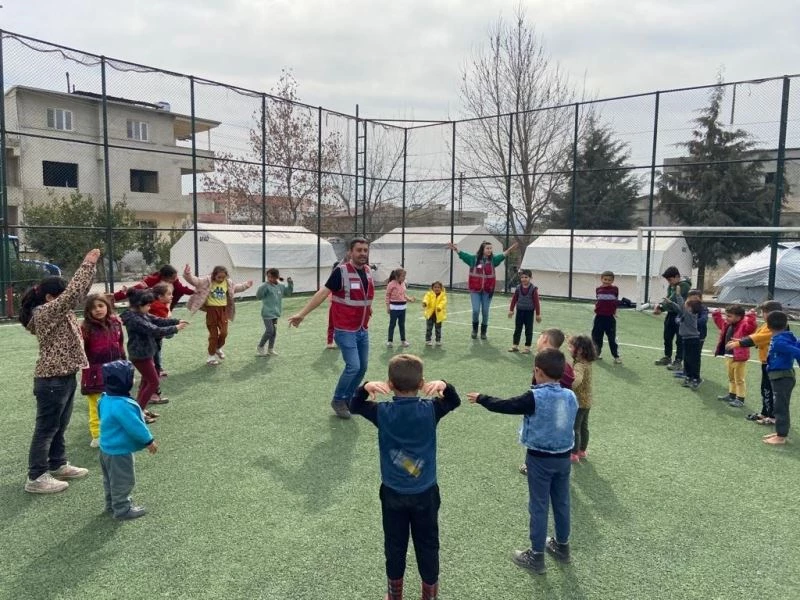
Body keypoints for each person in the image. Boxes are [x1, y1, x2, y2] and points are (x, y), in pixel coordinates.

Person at [350, 354, 460, 600]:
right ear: (422, 383)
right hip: (425, 492)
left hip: (393, 493)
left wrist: (365, 387)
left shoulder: (382, 411)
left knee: (394, 546)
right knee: (428, 545)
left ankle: (394, 595)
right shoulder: (431, 409)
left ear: (389, 384)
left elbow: (353, 405)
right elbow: (454, 400)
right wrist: (444, 384)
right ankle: (429, 595)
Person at [468, 348, 578, 574]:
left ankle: (536, 556)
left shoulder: (534, 397)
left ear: (538, 371)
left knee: (539, 505)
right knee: (562, 502)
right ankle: (562, 546)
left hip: (539, 459)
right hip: (563, 458)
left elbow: (506, 405)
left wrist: (481, 398)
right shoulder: (570, 396)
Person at [20, 248, 100, 494]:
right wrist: (86, 265)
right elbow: (73, 294)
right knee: (46, 429)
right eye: (61, 295)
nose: (68, 299)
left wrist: (91, 272)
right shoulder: (45, 313)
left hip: (65, 376)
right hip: (51, 380)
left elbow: (78, 293)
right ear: (49, 298)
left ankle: (57, 464)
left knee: (59, 426)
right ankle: (36, 477)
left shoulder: (58, 310)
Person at [288, 237, 375, 419]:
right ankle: (338, 400)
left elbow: (363, 295)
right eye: (359, 250)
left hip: (362, 329)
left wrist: (368, 309)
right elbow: (323, 293)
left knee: (362, 367)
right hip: (345, 329)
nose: (363, 253)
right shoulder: (341, 272)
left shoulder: (367, 271)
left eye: (365, 250)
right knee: (353, 366)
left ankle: (348, 399)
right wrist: (302, 314)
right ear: (350, 252)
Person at [97, 360, 158, 520]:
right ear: (124, 382)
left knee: (110, 479)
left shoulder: (105, 398)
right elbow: (135, 426)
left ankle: (111, 504)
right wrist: (149, 440)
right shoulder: (122, 405)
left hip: (106, 448)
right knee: (123, 480)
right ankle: (122, 509)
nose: (134, 379)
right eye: (131, 377)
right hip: (119, 451)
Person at [121, 289, 188, 420]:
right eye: (148, 305)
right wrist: (176, 328)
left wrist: (176, 321)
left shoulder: (141, 314)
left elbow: (157, 320)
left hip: (147, 353)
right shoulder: (135, 319)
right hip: (140, 355)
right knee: (153, 381)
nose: (150, 308)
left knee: (146, 381)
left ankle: (139, 408)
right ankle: (139, 411)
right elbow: (154, 330)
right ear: (139, 305)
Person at [519, 328, 575, 475]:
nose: (537, 341)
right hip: (558, 408)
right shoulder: (561, 361)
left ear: (544, 339)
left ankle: (532, 464)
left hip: (544, 407)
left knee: (537, 433)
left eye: (539, 337)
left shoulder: (548, 361)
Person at [447, 239, 518, 340]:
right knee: (476, 310)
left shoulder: (493, 260)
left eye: (490, 248)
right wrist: (455, 249)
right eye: (487, 248)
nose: (489, 250)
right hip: (475, 290)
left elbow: (502, 255)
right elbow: (463, 255)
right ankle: (475, 330)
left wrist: (510, 249)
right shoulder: (473, 259)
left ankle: (483, 332)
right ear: (482, 249)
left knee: (485, 312)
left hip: (487, 291)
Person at [80, 293, 126, 448]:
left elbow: (120, 345)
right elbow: (81, 351)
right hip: (94, 373)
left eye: (101, 306)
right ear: (88, 311)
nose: (98, 310)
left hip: (115, 371)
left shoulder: (115, 323)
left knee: (116, 403)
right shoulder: (85, 328)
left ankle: (115, 431)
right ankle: (97, 435)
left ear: (107, 306)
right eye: (93, 308)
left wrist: (124, 364)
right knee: (96, 405)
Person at [726, 301, 783, 423]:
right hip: (767, 362)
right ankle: (765, 413)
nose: (762, 315)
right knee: (765, 388)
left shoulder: (775, 327)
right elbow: (757, 335)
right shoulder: (768, 324)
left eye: (764, 312)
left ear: (771, 313)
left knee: (769, 389)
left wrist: (739, 343)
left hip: (773, 363)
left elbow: (758, 338)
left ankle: (771, 416)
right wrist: (741, 340)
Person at [183, 264, 253, 365]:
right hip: (211, 311)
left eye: (223, 277)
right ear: (214, 275)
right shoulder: (207, 281)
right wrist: (187, 274)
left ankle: (217, 348)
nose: (221, 279)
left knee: (224, 333)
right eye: (219, 277)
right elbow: (195, 281)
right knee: (213, 335)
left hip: (223, 311)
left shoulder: (228, 282)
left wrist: (246, 285)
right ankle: (211, 357)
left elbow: (236, 288)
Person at [762, 311, 800, 445]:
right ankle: (781, 432)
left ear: (768, 325)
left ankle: (781, 436)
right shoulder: (784, 337)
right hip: (781, 376)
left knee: (780, 406)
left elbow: (797, 351)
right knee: (780, 405)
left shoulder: (780, 342)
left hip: (782, 377)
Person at [712, 305, 757, 408]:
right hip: (729, 355)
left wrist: (751, 316)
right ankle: (732, 395)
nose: (726, 318)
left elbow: (751, 327)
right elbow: (720, 323)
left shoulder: (744, 325)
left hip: (739, 357)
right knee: (731, 377)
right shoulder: (727, 324)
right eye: (726, 315)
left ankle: (740, 399)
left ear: (738, 317)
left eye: (729, 316)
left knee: (739, 379)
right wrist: (716, 314)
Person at [661, 290, 703, 390]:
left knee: (694, 361)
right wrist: (671, 303)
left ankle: (696, 378)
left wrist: (678, 295)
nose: (685, 305)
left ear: (690, 309)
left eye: (687, 305)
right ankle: (688, 377)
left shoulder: (691, 315)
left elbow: (681, 306)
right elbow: (679, 308)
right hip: (686, 339)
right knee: (687, 360)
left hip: (693, 340)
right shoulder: (686, 312)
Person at [653, 266, 692, 370]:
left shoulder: (684, 285)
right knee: (667, 337)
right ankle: (667, 357)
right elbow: (668, 298)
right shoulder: (671, 286)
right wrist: (659, 306)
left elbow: (673, 298)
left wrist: (661, 308)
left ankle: (678, 361)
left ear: (677, 276)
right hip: (670, 315)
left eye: (670, 279)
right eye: (667, 280)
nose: (669, 282)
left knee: (679, 339)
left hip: (681, 315)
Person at [568, 335, 597, 462]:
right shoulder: (587, 362)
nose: (568, 349)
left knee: (575, 427)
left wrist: (568, 387)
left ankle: (574, 453)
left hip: (579, 401)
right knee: (584, 426)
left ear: (579, 350)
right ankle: (582, 450)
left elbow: (576, 380)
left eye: (571, 347)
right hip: (587, 400)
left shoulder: (579, 365)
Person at [113, 264, 194, 309]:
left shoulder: (174, 281)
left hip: (166, 306)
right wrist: (115, 297)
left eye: (176, 277)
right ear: (164, 277)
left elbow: (181, 289)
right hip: (151, 306)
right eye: (173, 278)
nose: (175, 279)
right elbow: (135, 289)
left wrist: (195, 292)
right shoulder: (152, 280)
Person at [256, 268, 293, 356]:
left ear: (276, 277)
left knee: (274, 332)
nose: (269, 279)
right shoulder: (266, 286)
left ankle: (270, 349)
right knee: (270, 331)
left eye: (271, 277)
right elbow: (259, 296)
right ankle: (260, 346)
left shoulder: (281, 286)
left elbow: (288, 293)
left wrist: (290, 283)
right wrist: (263, 286)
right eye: (268, 277)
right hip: (267, 313)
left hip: (276, 314)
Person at [591, 270, 622, 364]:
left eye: (609, 280)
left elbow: (615, 301)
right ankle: (597, 354)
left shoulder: (615, 289)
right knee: (597, 337)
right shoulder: (598, 289)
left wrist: (615, 311)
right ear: (601, 279)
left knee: (612, 338)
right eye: (605, 279)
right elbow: (599, 301)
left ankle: (616, 356)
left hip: (610, 318)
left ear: (612, 281)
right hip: (599, 317)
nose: (607, 281)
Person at [507, 269, 541, 354]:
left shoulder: (533, 289)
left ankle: (527, 347)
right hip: (519, 311)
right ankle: (515, 346)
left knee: (528, 330)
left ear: (530, 278)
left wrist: (538, 314)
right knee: (517, 329)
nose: (524, 279)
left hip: (529, 313)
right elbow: (514, 299)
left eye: (526, 277)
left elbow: (536, 302)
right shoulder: (518, 288)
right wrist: (511, 310)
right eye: (522, 277)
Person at [385, 268, 416, 348]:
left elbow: (403, 294)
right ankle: (390, 341)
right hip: (394, 308)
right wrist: (388, 307)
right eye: (403, 276)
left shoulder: (403, 283)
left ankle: (403, 341)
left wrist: (409, 299)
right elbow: (387, 296)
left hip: (402, 308)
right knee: (392, 324)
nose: (404, 278)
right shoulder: (391, 284)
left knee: (402, 324)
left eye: (404, 276)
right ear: (396, 276)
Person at [422, 281, 447, 347]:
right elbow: (426, 299)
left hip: (438, 316)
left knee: (438, 329)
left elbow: (443, 302)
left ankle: (438, 341)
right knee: (429, 328)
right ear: (432, 288)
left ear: (441, 288)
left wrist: (439, 307)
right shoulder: (429, 294)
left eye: (438, 287)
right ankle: (428, 340)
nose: (437, 288)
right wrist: (425, 303)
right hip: (430, 315)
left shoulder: (443, 295)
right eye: (435, 287)